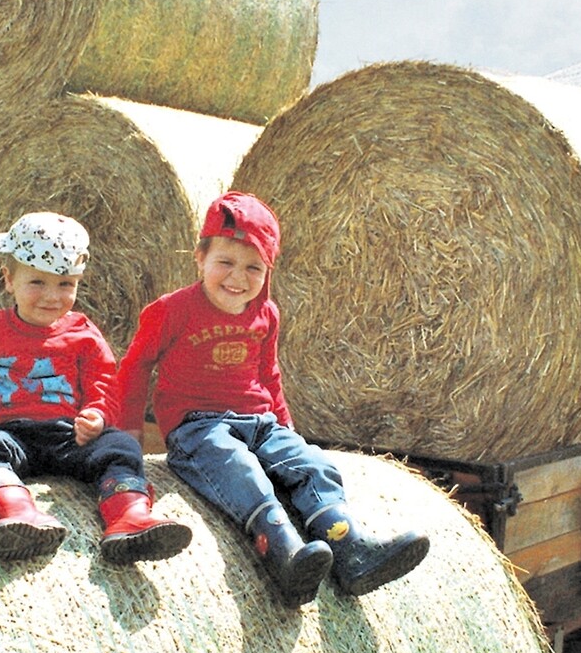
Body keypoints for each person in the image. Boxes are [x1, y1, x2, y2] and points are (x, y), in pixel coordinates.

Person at [116, 191, 428, 607]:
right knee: (239, 469)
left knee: (314, 465)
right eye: (225, 262)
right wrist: (128, 434)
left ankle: (350, 549)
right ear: (200, 257)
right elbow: (135, 367)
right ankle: (282, 551)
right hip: (198, 427)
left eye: (253, 268)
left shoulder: (267, 313)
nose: (237, 278)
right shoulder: (172, 310)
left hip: (260, 422)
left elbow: (269, 374)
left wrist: (287, 430)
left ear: (268, 271)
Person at [0, 210, 192, 566]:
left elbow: (105, 382)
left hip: (69, 438)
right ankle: (17, 513)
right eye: (37, 283)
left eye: (65, 284)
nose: (52, 296)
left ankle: (129, 515)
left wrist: (98, 414)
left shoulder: (83, 334)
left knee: (120, 445)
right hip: (9, 435)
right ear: (8, 280)